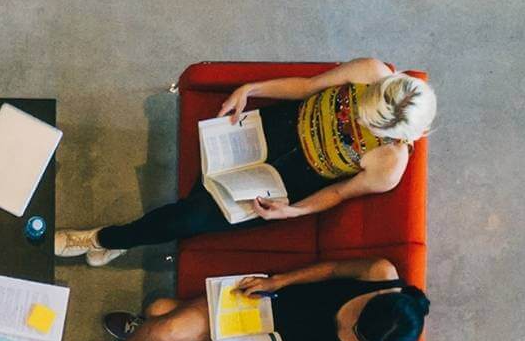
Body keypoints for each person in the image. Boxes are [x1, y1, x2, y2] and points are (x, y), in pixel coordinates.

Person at [54, 58, 435, 265]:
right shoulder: (370, 72)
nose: (356, 117)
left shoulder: (390, 163)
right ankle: (136, 233)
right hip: (280, 126)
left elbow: (337, 192)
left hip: (296, 177)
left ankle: (103, 237)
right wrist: (250, 89)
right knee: (199, 189)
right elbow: (308, 86)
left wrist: (293, 212)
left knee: (189, 218)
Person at [60, 256, 427, 341]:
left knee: (160, 318)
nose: (351, 334)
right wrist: (278, 281)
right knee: (161, 322)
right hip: (261, 306)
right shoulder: (380, 274)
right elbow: (330, 270)